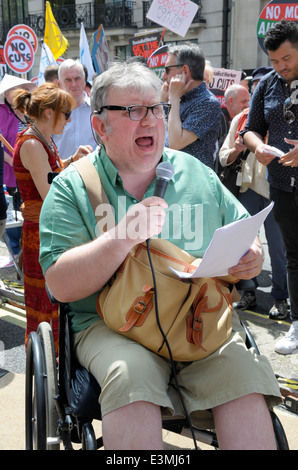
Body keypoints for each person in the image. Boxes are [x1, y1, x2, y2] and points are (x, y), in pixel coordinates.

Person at [39, 61, 281, 450]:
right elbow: (60, 286)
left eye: (156, 108)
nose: (150, 120)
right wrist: (121, 238)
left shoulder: (195, 172)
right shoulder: (72, 187)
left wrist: (249, 256)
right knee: (130, 376)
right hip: (113, 326)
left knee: (243, 377)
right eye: (133, 111)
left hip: (200, 317)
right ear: (101, 126)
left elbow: (244, 234)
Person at [12, 83, 93, 353]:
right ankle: (47, 358)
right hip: (40, 230)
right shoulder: (33, 143)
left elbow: (49, 175)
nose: (69, 119)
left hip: (44, 227)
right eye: (66, 113)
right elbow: (50, 194)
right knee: (44, 300)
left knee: (52, 297)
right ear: (48, 113)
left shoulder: (41, 139)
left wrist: (71, 160)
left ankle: (54, 357)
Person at [243, 20, 298, 355]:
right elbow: (250, 129)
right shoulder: (267, 84)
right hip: (281, 183)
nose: (281, 67)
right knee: (294, 256)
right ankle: (297, 325)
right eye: (275, 61)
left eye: (287, 59)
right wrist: (256, 147)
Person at [219, 66, 288, 319]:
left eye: (263, 86)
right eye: (255, 86)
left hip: (274, 190)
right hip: (246, 189)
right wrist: (238, 148)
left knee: (278, 248)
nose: (260, 90)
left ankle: (281, 298)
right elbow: (224, 157)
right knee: (243, 246)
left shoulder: (284, 117)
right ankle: (248, 292)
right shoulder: (241, 119)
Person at [161, 43, 222, 168]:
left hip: (192, 181)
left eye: (168, 70)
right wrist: (163, 101)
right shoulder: (178, 96)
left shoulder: (207, 103)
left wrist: (173, 98)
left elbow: (175, 143)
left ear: (184, 71)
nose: (164, 76)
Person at [0, 74, 36, 267]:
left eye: (24, 88)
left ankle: (25, 256)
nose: (24, 92)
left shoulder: (30, 113)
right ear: (7, 94)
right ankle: (16, 255)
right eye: (18, 88)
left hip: (32, 173)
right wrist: (14, 161)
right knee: (15, 216)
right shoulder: (2, 112)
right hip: (12, 174)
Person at [53, 59, 97, 160]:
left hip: (93, 172)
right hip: (63, 172)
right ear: (60, 83)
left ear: (84, 80)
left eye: (77, 79)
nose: (74, 84)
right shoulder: (52, 112)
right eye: (68, 80)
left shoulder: (97, 109)